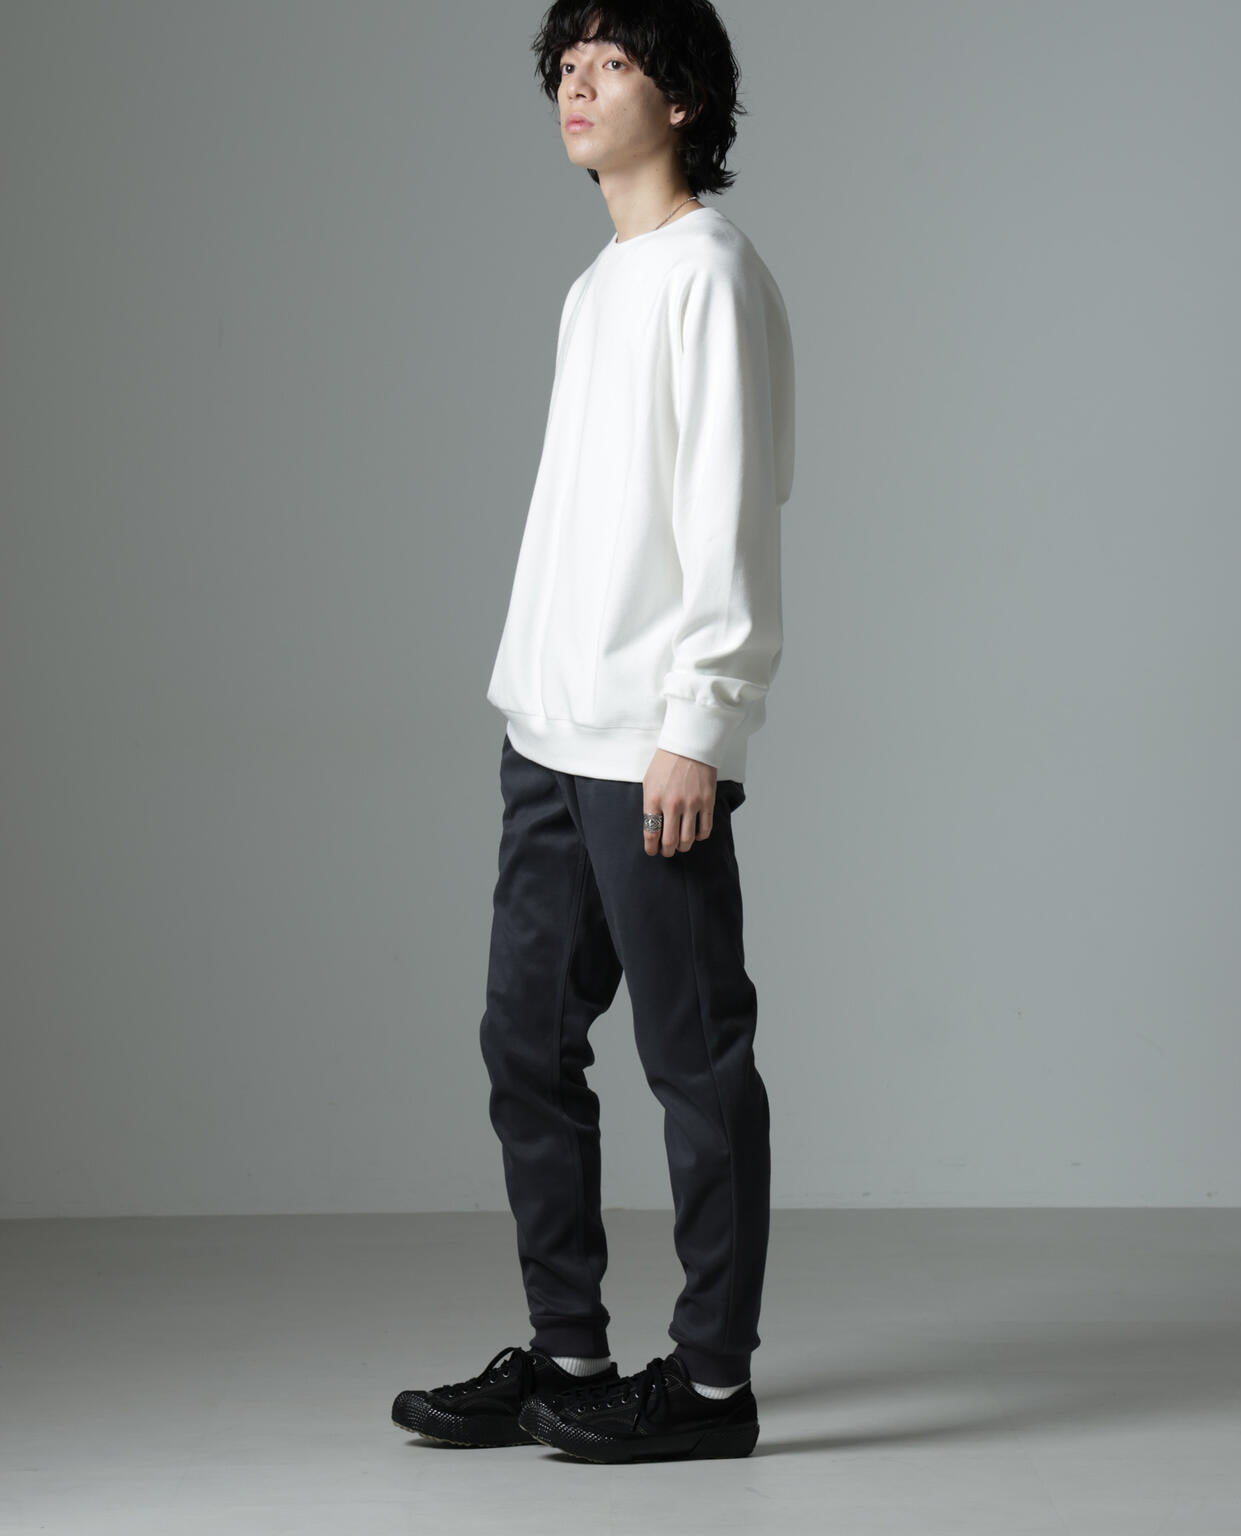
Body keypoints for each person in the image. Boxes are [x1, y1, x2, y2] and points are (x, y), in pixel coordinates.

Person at [393, 0, 794, 1463]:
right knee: (525, 1042)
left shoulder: (710, 274)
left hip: (647, 749)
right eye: (565, 64)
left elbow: (732, 514)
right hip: (549, 734)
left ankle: (712, 1388)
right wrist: (531, 697)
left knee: (695, 1060)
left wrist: (701, 720)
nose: (576, 82)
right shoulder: (598, 284)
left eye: (611, 62)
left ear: (680, 98)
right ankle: (568, 1354)